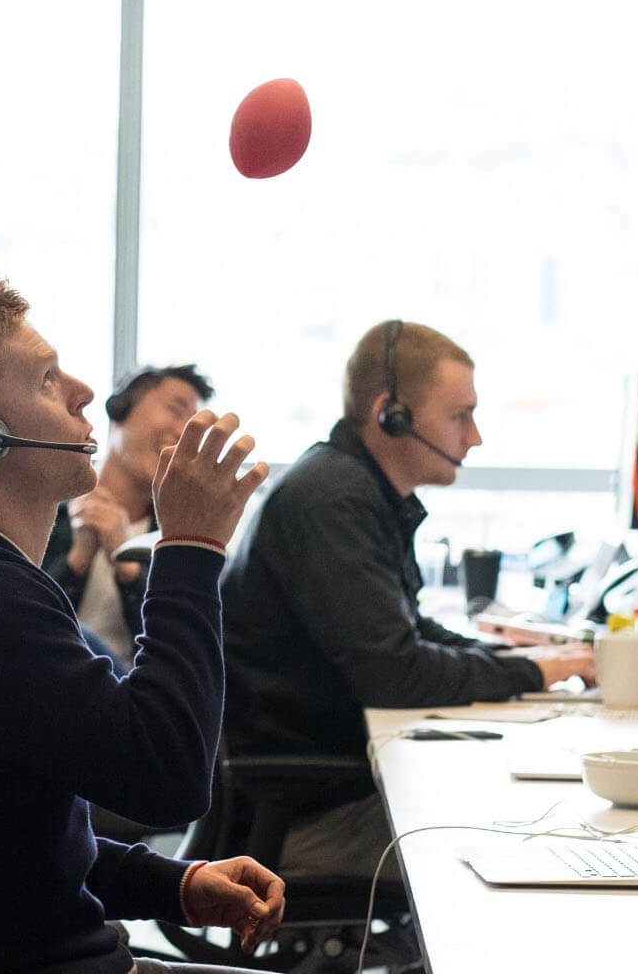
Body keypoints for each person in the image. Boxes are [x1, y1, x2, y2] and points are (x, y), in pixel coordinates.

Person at [0, 276, 285, 974]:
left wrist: (179, 884)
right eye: (46, 379)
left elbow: (18, 847)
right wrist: (191, 549)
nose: (83, 393)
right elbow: (169, 777)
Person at [220, 318, 596, 882]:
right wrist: (535, 671)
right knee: (534, 835)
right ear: (390, 415)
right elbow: (395, 672)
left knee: (527, 816)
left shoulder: (358, 488)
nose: (475, 437)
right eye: (460, 415)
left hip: (328, 787)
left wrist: (519, 660)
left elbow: (408, 631)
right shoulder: (334, 500)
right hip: (303, 819)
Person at [43, 364, 214, 672]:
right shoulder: (46, 507)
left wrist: (128, 570)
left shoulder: (175, 538)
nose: (182, 434)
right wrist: (76, 562)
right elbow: (19, 619)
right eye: (176, 411)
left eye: (193, 426)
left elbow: (178, 650)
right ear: (119, 411)